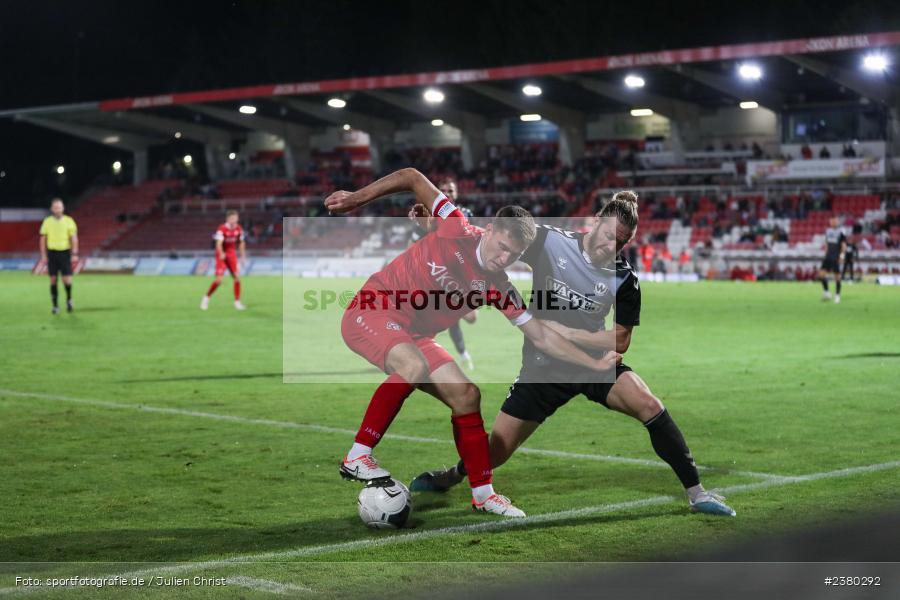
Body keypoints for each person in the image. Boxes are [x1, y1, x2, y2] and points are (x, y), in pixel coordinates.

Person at [411, 191, 736, 517]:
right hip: (543, 367)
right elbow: (497, 240)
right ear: (595, 221)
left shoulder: (625, 278)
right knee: (498, 447)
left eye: (620, 242)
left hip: (593, 366)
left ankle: (698, 494)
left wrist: (568, 333)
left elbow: (620, 338)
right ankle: (451, 476)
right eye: (608, 235)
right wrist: (433, 228)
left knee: (649, 404)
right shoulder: (550, 241)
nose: (610, 246)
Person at [324, 168, 620, 517]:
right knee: (413, 365)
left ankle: (483, 493)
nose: (503, 258)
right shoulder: (456, 226)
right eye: (501, 247)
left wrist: (594, 364)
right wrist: (355, 199)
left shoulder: (498, 285)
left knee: (467, 395)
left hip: (413, 334)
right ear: (489, 229)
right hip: (373, 309)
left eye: (513, 255)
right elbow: (411, 176)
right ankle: (358, 455)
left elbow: (540, 335)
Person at [408, 178, 477, 370]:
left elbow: (476, 243)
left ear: (457, 194)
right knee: (445, 317)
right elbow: (412, 246)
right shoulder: (429, 218)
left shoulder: (467, 214)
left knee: (471, 318)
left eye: (451, 190)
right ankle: (461, 355)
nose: (447, 193)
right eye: (443, 190)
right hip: (435, 274)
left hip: (460, 274)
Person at [38, 198, 78, 314]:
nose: (57, 209)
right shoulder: (47, 222)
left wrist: (74, 253)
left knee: (67, 280)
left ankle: (69, 299)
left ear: (63, 208)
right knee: (53, 279)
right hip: (52, 253)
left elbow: (74, 238)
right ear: (52, 209)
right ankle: (55, 306)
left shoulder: (69, 221)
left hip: (65, 253)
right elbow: (43, 239)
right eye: (55, 207)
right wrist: (43, 255)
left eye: (59, 207)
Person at [201, 210, 246, 311]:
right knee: (219, 280)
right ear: (228, 219)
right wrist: (221, 253)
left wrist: (243, 256)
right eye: (233, 218)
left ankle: (237, 302)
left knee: (237, 277)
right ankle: (206, 297)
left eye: (236, 218)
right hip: (221, 255)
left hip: (232, 254)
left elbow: (242, 243)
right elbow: (218, 243)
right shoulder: (222, 228)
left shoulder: (239, 229)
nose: (235, 220)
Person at [819, 217, 846, 304]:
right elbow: (827, 244)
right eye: (831, 221)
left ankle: (837, 295)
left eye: (835, 221)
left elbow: (843, 246)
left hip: (836, 257)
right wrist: (825, 255)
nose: (833, 222)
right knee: (821, 274)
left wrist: (841, 256)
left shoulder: (841, 232)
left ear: (837, 222)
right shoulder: (828, 231)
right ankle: (827, 293)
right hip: (828, 257)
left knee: (837, 277)